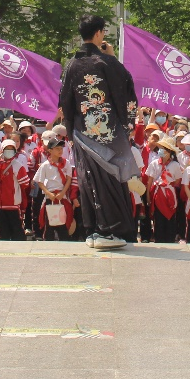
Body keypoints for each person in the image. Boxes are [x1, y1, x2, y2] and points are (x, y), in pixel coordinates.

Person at [57, 14, 140, 250]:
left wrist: (72, 132)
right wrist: (111, 57)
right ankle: (108, 231)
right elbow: (127, 92)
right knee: (109, 179)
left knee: (88, 180)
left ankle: (93, 230)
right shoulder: (106, 63)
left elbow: (65, 102)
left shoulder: (71, 66)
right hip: (107, 135)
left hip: (81, 134)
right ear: (98, 33)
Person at [35, 135, 74, 241]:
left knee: (63, 222)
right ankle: (48, 243)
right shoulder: (45, 165)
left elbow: (69, 179)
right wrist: (48, 193)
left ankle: (64, 242)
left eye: (61, 148)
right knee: (49, 223)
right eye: (57, 148)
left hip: (62, 196)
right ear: (50, 150)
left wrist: (63, 192)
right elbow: (39, 181)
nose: (60, 151)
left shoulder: (66, 163)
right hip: (50, 197)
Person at [0, 138, 26, 240]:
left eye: (11, 149)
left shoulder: (18, 166)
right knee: (3, 230)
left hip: (13, 204)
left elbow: (24, 184)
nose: (9, 152)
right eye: (7, 149)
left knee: (16, 229)